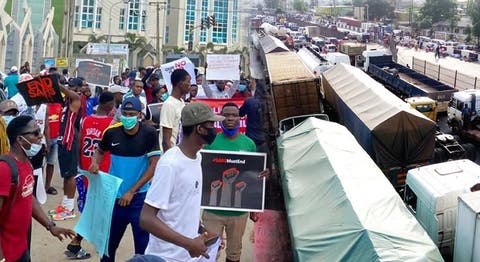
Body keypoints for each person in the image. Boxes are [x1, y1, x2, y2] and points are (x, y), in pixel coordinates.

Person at [140, 102, 224, 261]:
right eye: (211, 125)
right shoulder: (170, 164)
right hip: (166, 257)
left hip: (188, 256)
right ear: (199, 129)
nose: (215, 130)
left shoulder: (197, 157)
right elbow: (146, 218)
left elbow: (182, 205)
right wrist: (189, 244)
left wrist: (202, 231)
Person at [89, 96, 161, 262]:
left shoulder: (149, 133)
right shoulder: (111, 132)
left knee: (143, 248)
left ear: (139, 115)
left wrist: (132, 191)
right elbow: (100, 151)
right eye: (125, 113)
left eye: (132, 114)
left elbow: (153, 166)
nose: (128, 117)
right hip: (114, 198)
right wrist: (95, 163)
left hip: (139, 199)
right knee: (108, 247)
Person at [0, 115, 76, 262]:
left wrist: (50, 226)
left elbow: (28, 197)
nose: (40, 136)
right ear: (20, 139)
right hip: (6, 253)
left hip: (21, 247)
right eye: (35, 133)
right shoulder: (5, 169)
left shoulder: (27, 164)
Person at [202, 103, 268, 262]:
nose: (230, 118)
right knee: (207, 251)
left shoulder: (249, 144)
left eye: (234, 115)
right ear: (220, 118)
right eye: (226, 115)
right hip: (212, 211)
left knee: (234, 252)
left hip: (239, 213)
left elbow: (253, 175)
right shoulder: (210, 143)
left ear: (240, 118)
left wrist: (262, 176)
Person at [49, 79, 83, 221]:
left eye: (74, 87)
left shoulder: (76, 100)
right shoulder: (65, 103)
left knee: (70, 175)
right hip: (62, 140)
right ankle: (64, 205)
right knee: (65, 175)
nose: (71, 89)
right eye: (70, 86)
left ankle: (69, 208)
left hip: (69, 142)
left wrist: (55, 83)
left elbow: (71, 94)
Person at [159, 69, 191, 152]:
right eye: (188, 82)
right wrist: (170, 158)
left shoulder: (181, 101)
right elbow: (166, 140)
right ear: (180, 84)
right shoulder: (169, 104)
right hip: (172, 155)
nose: (190, 85)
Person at [44, 102, 63, 195]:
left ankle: (47, 186)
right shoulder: (43, 106)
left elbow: (61, 122)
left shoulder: (59, 106)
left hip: (55, 138)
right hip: (43, 139)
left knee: (51, 163)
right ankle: (37, 187)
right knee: (41, 165)